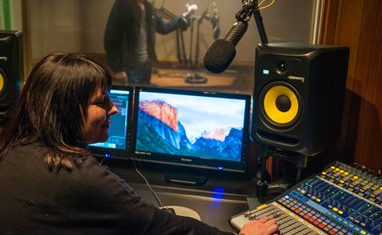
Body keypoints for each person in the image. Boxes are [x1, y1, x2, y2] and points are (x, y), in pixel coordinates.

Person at [0, 53, 279, 234]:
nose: (114, 110)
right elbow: (163, 227)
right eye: (102, 102)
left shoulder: (10, 150)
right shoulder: (77, 175)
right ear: (67, 109)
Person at [104, 0, 189, 86]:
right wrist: (117, 69)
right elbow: (110, 38)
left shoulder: (150, 8)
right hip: (128, 68)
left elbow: (163, 28)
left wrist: (182, 17)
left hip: (146, 67)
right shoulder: (121, 4)